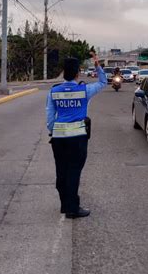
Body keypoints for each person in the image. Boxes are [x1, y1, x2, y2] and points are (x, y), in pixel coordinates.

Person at [46, 52, 107, 218]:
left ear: (63, 72)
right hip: (77, 138)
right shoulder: (84, 90)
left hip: (58, 139)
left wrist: (54, 131)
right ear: (77, 73)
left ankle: (65, 204)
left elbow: (50, 117)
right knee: (73, 172)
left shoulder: (54, 92)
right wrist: (97, 65)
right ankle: (72, 208)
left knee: (61, 171)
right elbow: (103, 82)